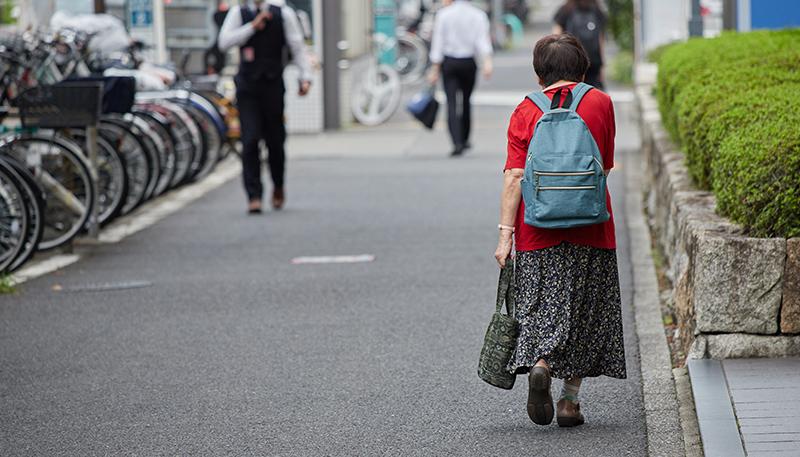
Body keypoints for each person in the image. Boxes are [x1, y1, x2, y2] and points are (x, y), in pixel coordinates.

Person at [494, 34, 625, 427]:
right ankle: (569, 401)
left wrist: (505, 235)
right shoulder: (600, 103)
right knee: (586, 312)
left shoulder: (524, 110)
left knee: (538, 307)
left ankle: (540, 362)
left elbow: (514, 176)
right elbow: (605, 166)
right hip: (592, 226)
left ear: (539, 74)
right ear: (583, 68)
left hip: (536, 229)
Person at [218, 0, 312, 214]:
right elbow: (224, 42)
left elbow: (297, 47)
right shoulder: (238, 13)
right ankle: (254, 195)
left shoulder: (283, 14)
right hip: (247, 85)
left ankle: (278, 185)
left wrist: (305, 77)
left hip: (272, 84)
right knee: (249, 140)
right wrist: (252, 26)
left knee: (275, 141)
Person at [427, 0, 493, 157]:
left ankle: (456, 142)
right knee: (466, 101)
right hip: (468, 62)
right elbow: (482, 41)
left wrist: (435, 68)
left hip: (449, 62)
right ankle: (465, 138)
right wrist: (487, 63)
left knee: (451, 102)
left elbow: (438, 42)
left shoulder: (443, 15)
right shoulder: (478, 15)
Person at [553, 0, 607, 89]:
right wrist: (602, 64)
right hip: (593, 61)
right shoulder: (596, 9)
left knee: (572, 92)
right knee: (593, 92)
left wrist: (557, 59)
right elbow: (600, 38)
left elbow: (556, 34)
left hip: (571, 60)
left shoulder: (566, 9)